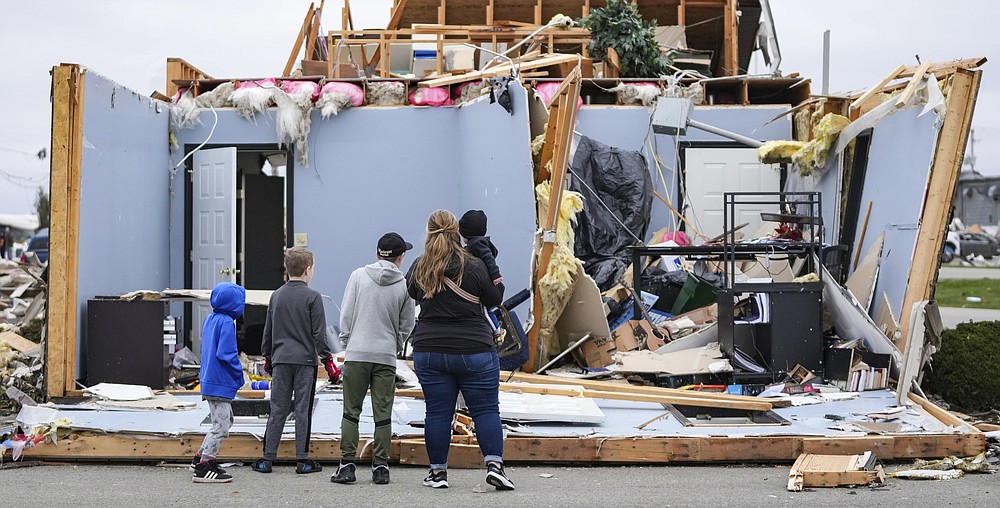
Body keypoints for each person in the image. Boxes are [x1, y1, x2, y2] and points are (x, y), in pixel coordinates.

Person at [405, 210, 514, 491]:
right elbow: (494, 299)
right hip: (474, 348)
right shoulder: (474, 265)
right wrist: (488, 258)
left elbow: (413, 292)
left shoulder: (420, 265)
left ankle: (438, 474)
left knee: (438, 413)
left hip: (430, 349)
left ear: (428, 233)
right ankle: (494, 466)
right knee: (486, 409)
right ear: (458, 233)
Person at [330, 232, 415, 486]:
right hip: (385, 356)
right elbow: (407, 323)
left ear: (377, 253)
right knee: (383, 414)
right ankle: (381, 467)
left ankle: (346, 465)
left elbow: (346, 314)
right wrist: (395, 345)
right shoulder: (405, 285)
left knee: (351, 412)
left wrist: (348, 342)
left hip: (357, 353)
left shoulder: (358, 276)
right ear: (401, 257)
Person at [253, 247, 340, 475]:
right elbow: (318, 334)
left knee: (278, 408)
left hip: (281, 360)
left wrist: (267, 357)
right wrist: (327, 360)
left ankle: (266, 459)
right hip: (305, 362)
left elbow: (268, 332)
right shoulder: (313, 297)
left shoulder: (276, 295)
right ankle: (302, 459)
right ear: (307, 269)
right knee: (303, 409)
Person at [192, 281, 246, 483]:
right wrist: (239, 375)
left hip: (209, 381)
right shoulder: (226, 323)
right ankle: (204, 466)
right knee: (222, 426)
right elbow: (227, 354)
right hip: (220, 384)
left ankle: (199, 458)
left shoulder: (210, 319)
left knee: (223, 421)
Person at [458, 210, 504, 340]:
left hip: (488, 285)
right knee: (486, 311)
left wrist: (495, 275)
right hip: (486, 284)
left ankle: (497, 331)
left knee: (485, 311)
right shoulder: (477, 244)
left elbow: (489, 258)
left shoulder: (477, 244)